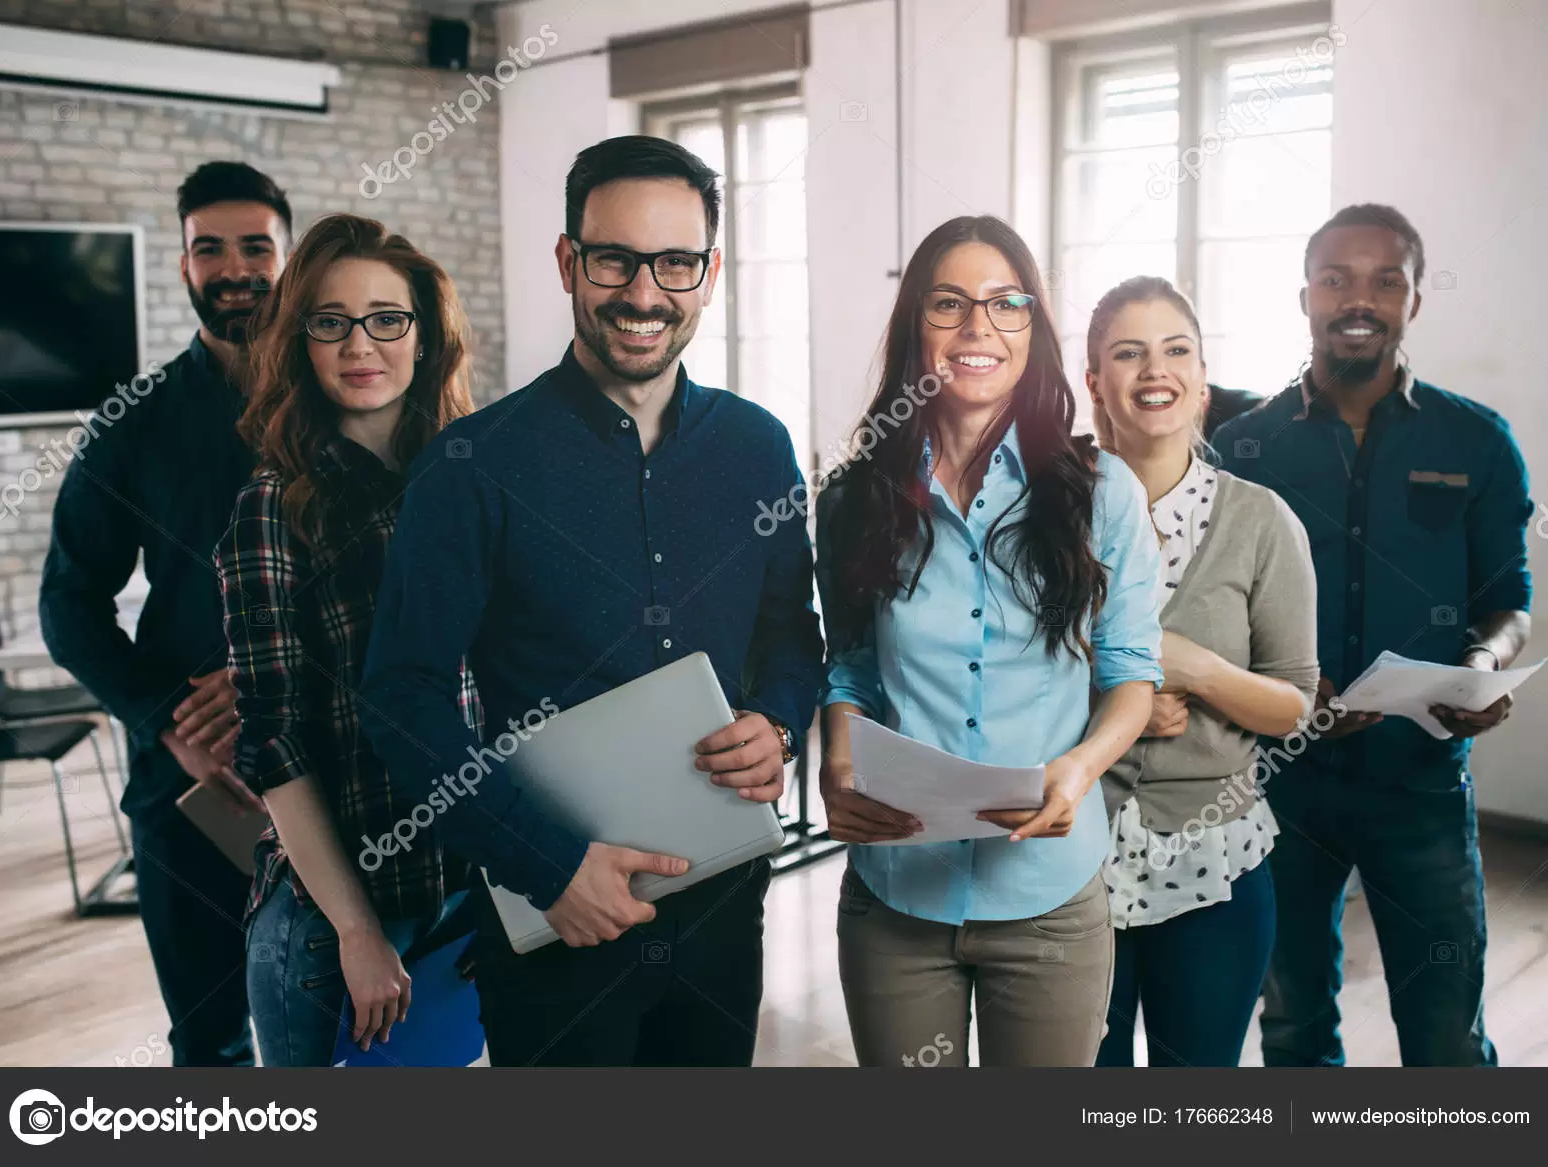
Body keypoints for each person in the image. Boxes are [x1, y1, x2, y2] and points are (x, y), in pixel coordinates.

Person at [356, 135, 824, 1067]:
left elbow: (793, 636)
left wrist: (777, 720)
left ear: (710, 272)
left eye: (675, 263)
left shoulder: (759, 448)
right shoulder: (471, 468)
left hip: (724, 906)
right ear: (569, 260)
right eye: (614, 258)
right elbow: (401, 700)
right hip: (555, 922)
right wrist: (548, 865)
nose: (645, 293)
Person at [813, 215, 1161, 1068]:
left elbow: (1131, 675)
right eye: (950, 304)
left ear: (1034, 329)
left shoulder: (1101, 493)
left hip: (1048, 901)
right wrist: (835, 759)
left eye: (1007, 304)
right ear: (914, 329)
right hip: (896, 895)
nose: (979, 328)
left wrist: (1078, 770)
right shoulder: (855, 496)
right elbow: (851, 666)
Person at [1211, 204, 1533, 1066]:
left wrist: (1481, 662)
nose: (1361, 298)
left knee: (1446, 1034)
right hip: (1278, 784)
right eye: (1337, 278)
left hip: (1420, 780)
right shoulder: (1243, 447)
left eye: (1386, 280)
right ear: (1306, 296)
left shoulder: (1477, 440)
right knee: (1292, 1023)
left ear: (1414, 300)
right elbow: (1208, 608)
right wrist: (1269, 681)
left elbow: (1509, 596)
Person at [40, 161, 290, 1067]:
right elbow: (68, 605)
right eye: (209, 248)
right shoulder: (132, 423)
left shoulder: (351, 395)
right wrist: (168, 721)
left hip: (347, 770)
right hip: (197, 790)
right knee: (213, 1040)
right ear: (182, 267)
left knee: (359, 1025)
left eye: (255, 245)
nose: (234, 268)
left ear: (289, 258)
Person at [214, 214, 478, 1066]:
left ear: (424, 335)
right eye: (331, 321)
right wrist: (358, 932)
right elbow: (273, 741)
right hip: (338, 926)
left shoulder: (468, 479)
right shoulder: (272, 505)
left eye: (386, 318)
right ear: (301, 340)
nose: (360, 344)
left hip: (469, 888)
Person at [1083, 276, 1318, 1067]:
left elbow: (1296, 707)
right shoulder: (1041, 515)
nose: (1156, 369)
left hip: (1215, 863)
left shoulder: (1261, 521)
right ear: (1094, 383)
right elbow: (993, 675)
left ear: (1202, 378)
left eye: (1176, 349)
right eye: (1129, 352)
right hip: (1066, 857)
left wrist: (1204, 670)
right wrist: (1120, 701)